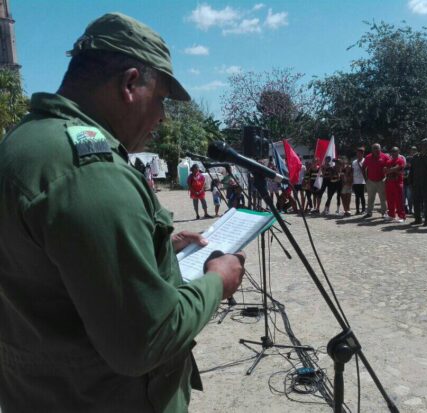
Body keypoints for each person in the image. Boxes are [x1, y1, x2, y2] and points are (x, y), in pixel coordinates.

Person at [0, 13, 246, 413]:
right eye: (162, 99)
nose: (163, 116)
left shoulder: (24, 142)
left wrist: (156, 245)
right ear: (131, 83)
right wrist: (218, 282)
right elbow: (144, 342)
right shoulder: (89, 171)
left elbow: (54, 268)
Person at [409, 138, 427, 226]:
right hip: (416, 184)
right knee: (416, 202)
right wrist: (410, 183)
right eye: (424, 145)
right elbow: (412, 171)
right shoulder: (415, 157)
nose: (425, 147)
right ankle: (418, 219)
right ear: (420, 146)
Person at [362, 143, 390, 218]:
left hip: (382, 180)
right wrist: (366, 179)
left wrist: (387, 178)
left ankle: (384, 213)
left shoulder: (385, 157)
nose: (376, 150)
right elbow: (363, 168)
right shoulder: (368, 157)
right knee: (370, 198)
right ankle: (369, 212)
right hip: (370, 181)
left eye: (377, 148)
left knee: (383, 198)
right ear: (372, 150)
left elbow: (389, 167)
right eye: (374, 148)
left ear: (380, 149)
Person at [384, 147, 406, 222]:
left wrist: (390, 170)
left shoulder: (401, 160)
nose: (393, 153)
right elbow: (385, 171)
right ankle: (391, 215)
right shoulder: (389, 161)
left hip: (398, 183)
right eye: (392, 151)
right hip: (389, 183)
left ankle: (401, 216)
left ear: (398, 152)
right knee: (390, 200)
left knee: (399, 200)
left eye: (395, 151)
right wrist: (394, 169)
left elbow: (400, 169)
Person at [352, 146, 366, 214]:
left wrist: (359, 163)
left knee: (362, 196)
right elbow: (352, 171)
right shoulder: (354, 162)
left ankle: (363, 210)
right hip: (355, 181)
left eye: (359, 153)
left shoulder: (365, 161)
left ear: (362, 154)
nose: (358, 154)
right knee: (356, 196)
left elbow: (364, 170)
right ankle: (357, 210)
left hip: (362, 181)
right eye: (357, 153)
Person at [404, 146, 417, 214]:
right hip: (406, 181)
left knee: (411, 197)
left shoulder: (417, 158)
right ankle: (408, 209)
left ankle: (412, 209)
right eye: (412, 150)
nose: (413, 151)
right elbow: (405, 166)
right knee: (406, 197)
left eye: (414, 150)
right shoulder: (407, 158)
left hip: (413, 181)